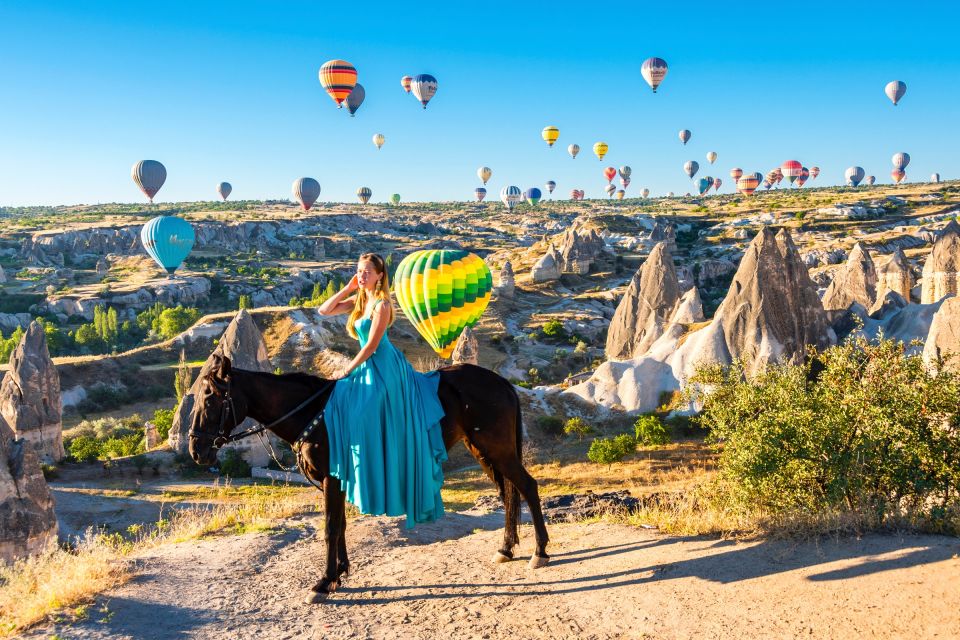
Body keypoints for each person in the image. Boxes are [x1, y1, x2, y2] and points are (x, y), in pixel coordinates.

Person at [317, 253, 447, 527]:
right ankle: (364, 475)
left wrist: (346, 370)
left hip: (385, 367)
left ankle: (378, 470)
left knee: (364, 413)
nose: (362, 275)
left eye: (367, 272)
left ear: (380, 276)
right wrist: (349, 286)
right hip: (366, 366)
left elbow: (371, 347)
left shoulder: (382, 306)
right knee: (341, 404)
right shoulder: (359, 301)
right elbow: (324, 311)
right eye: (359, 271)